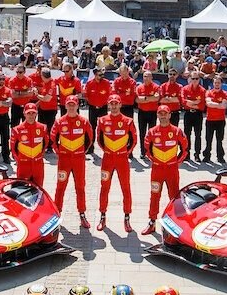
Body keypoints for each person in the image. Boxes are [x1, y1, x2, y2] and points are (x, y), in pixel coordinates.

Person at [143, 105, 188, 235]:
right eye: (160, 113)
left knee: (174, 196)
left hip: (172, 170)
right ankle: (152, 222)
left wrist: (177, 162)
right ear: (157, 115)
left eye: (165, 113)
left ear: (169, 115)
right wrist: (155, 161)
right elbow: (147, 150)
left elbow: (185, 149)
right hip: (157, 170)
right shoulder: (152, 131)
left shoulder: (177, 131)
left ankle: (176, 223)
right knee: (154, 195)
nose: (163, 116)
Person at [96, 94, 137, 232]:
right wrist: (107, 151)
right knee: (104, 187)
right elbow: (99, 139)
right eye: (111, 103)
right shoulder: (102, 120)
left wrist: (125, 153)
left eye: (116, 103)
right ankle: (102, 215)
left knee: (126, 188)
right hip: (107, 159)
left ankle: (127, 217)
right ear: (108, 105)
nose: (113, 106)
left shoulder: (128, 121)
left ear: (120, 105)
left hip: (122, 160)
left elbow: (134, 139)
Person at [51, 96, 94, 227]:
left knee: (80, 187)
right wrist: (61, 153)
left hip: (78, 160)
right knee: (60, 187)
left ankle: (82, 214)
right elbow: (53, 140)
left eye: (73, 105)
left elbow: (89, 139)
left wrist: (80, 152)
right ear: (65, 106)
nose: (71, 107)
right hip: (64, 160)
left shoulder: (84, 122)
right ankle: (57, 214)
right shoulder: (59, 122)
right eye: (69, 104)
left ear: (77, 106)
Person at [10, 103, 47, 187]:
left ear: (36, 113)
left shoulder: (42, 128)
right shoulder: (17, 130)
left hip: (38, 165)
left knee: (39, 189)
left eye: (33, 113)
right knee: (21, 189)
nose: (31, 115)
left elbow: (45, 143)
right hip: (23, 165)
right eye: (28, 113)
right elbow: (13, 149)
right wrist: (20, 160)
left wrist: (39, 156)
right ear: (24, 114)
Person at [181, 71, 206, 162]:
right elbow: (184, 103)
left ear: (199, 79)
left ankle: (197, 154)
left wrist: (190, 102)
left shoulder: (202, 90)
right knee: (187, 134)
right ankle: (186, 154)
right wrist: (195, 102)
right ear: (190, 79)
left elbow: (202, 106)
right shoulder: (185, 89)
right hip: (188, 114)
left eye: (196, 78)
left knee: (197, 135)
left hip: (198, 115)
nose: (195, 80)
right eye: (193, 78)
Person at [202, 74, 227, 163]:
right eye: (215, 83)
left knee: (219, 140)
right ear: (213, 83)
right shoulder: (208, 92)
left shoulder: (225, 94)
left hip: (220, 120)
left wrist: (214, 104)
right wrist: (218, 104)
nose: (217, 84)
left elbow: (224, 106)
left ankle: (220, 157)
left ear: (221, 84)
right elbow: (208, 104)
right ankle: (207, 156)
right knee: (208, 139)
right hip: (210, 119)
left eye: (218, 83)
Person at [135, 70, 160, 157]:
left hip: (152, 113)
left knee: (152, 133)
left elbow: (156, 99)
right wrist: (150, 98)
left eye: (149, 76)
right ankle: (143, 152)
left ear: (152, 77)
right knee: (142, 133)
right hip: (142, 113)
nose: (147, 78)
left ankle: (151, 151)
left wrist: (144, 99)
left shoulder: (156, 87)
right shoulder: (139, 87)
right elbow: (137, 100)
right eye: (145, 76)